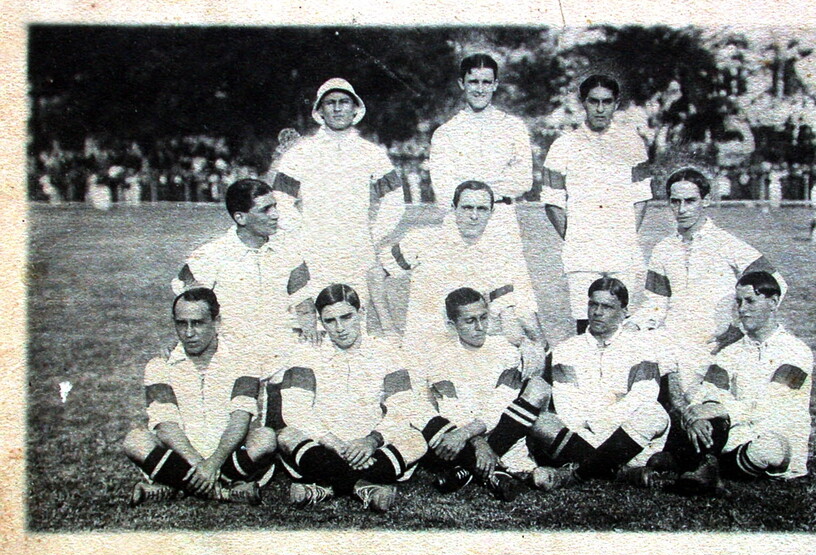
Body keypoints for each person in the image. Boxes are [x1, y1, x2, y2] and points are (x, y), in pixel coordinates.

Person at [275, 284, 429, 512]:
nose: (339, 328)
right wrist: (335, 444)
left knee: (416, 440)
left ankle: (326, 488)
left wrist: (371, 441)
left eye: (346, 317)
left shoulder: (387, 352)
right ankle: (363, 486)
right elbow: (296, 411)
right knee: (287, 436)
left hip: (369, 446)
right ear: (321, 321)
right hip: (323, 444)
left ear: (362, 313)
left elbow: (402, 407)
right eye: (330, 321)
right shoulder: (306, 352)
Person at [270, 77, 405, 330]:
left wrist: (372, 234)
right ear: (319, 110)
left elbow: (395, 199)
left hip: (357, 248)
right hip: (312, 248)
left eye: (344, 102)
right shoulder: (301, 152)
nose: (338, 108)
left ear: (356, 108)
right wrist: (301, 232)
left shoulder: (371, 152)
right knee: (316, 321)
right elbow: (280, 199)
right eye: (330, 103)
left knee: (353, 318)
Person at [659, 271, 813, 493]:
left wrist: (721, 409)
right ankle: (703, 469)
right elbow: (710, 391)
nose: (742, 309)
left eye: (750, 301)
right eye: (738, 301)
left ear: (773, 302)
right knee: (708, 420)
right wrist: (702, 411)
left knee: (765, 450)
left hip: (777, 435)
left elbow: (774, 407)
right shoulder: (730, 351)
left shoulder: (798, 352)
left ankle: (700, 468)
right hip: (739, 432)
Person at [123, 288, 277, 506]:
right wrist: (200, 464)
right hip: (182, 456)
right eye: (181, 323)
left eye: (197, 323)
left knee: (266, 438)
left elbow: (240, 419)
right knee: (135, 440)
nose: (188, 333)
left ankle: (174, 486)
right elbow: (165, 424)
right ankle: (223, 492)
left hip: (227, 455)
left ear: (217, 322)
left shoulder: (243, 360)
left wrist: (213, 463)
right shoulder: (159, 365)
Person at [638, 167, 787, 393]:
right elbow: (656, 304)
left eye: (690, 201)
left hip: (716, 343)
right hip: (673, 341)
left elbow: (777, 284)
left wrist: (741, 328)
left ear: (705, 201)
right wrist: (633, 326)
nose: (682, 209)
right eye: (675, 202)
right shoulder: (663, 249)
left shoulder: (726, 244)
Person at [380, 180, 544, 372]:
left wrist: (526, 343)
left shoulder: (496, 256)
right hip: (422, 353)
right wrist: (389, 329)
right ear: (453, 208)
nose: (474, 216)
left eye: (481, 209)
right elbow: (376, 274)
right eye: (467, 208)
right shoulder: (423, 240)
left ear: (491, 213)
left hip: (466, 357)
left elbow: (507, 316)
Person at [530, 278, 672, 491]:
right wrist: (613, 401)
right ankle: (622, 473)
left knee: (655, 413)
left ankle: (575, 474)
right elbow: (568, 407)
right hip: (583, 435)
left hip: (627, 441)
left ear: (624, 311)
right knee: (540, 422)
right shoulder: (566, 350)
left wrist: (599, 422)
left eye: (606, 306)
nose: (597, 312)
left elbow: (644, 398)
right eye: (593, 304)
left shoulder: (642, 347)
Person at [413, 287, 551, 501]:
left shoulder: (505, 350)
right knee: (424, 416)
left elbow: (502, 404)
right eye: (470, 321)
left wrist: (482, 442)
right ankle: (493, 473)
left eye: (484, 318)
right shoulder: (440, 357)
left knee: (538, 386)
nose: (480, 327)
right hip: (461, 439)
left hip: (501, 433)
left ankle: (468, 471)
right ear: (452, 325)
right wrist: (476, 441)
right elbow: (453, 410)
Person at [541, 74, 654, 333]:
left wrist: (623, 233)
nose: (600, 108)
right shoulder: (563, 145)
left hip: (622, 248)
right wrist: (576, 236)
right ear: (584, 102)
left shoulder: (632, 143)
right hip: (582, 250)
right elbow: (553, 202)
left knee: (621, 323)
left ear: (616, 103)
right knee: (586, 321)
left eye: (607, 102)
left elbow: (641, 197)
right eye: (594, 102)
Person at [172, 178, 316, 381]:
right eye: (265, 210)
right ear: (240, 217)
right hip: (230, 361)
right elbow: (189, 308)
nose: (275, 215)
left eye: (275, 207)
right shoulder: (209, 255)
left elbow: (305, 306)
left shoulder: (290, 252)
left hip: (283, 359)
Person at [428, 53, 532, 263]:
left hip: (501, 220)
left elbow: (523, 180)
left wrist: (478, 190)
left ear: (495, 84)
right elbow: (443, 189)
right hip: (460, 221)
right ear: (462, 84)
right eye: (473, 81)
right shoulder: (446, 132)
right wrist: (492, 186)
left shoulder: (513, 128)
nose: (480, 89)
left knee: (506, 291)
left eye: (486, 82)